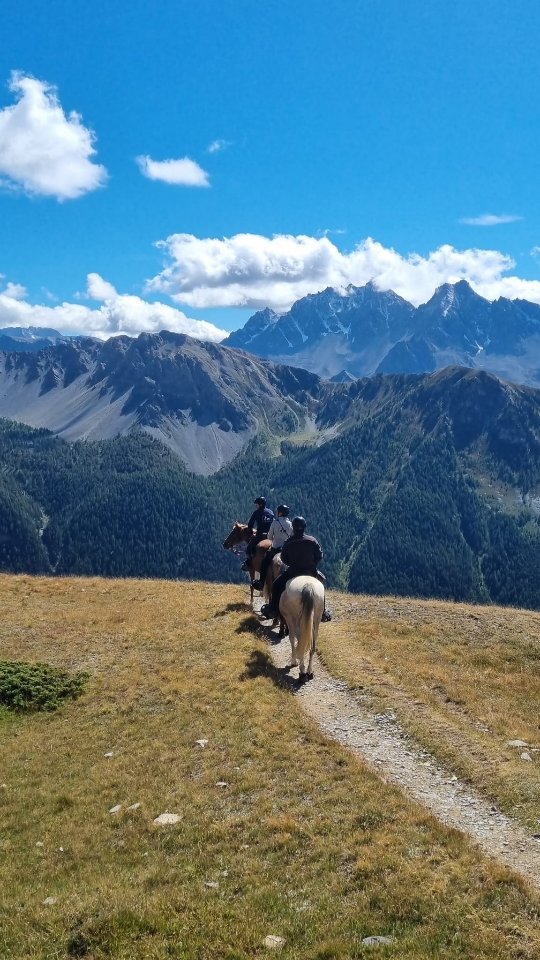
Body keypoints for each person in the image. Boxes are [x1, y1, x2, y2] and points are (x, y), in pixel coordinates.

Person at [260, 516, 332, 620]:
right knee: (321, 582)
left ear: (293, 527)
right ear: (304, 527)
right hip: (310, 571)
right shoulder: (312, 540)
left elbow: (283, 558)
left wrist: (291, 563)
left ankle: (273, 609)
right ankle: (323, 612)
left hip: (293, 572)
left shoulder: (289, 542)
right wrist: (312, 564)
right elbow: (320, 555)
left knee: (276, 585)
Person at [251, 504, 293, 590]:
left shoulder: (275, 523)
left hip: (275, 549)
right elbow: (292, 537)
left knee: (265, 563)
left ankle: (261, 583)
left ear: (280, 513)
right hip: (286, 550)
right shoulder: (290, 524)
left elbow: (269, 537)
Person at [240, 496, 275, 571]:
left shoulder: (256, 513)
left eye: (257, 504)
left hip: (260, 535)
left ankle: (247, 563)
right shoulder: (271, 512)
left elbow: (250, 525)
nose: (256, 506)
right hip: (271, 536)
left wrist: (251, 532)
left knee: (249, 548)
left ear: (261, 505)